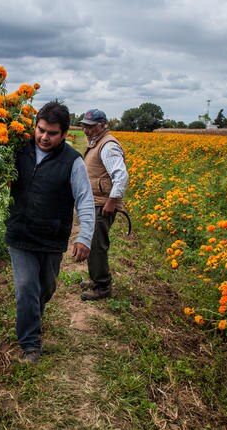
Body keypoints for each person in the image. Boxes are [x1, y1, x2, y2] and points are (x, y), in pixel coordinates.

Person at [5, 100, 95, 364]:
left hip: (51, 237)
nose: (44, 137)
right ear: (35, 127)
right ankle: (30, 345)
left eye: (52, 133)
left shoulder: (72, 161)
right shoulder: (17, 150)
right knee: (26, 288)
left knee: (45, 288)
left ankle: (33, 314)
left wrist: (84, 236)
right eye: (41, 130)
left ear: (65, 134)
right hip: (20, 233)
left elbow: (85, 200)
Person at [78, 109, 129, 301]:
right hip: (96, 202)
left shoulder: (108, 146)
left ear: (102, 125)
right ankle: (96, 279)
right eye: (84, 126)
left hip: (102, 204)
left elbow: (121, 175)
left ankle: (102, 287)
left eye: (90, 127)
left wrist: (112, 201)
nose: (86, 130)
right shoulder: (98, 143)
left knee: (97, 245)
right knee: (93, 243)